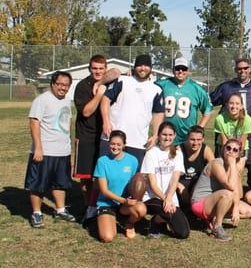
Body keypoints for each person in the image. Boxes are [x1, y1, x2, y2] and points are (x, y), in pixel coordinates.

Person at [210, 58, 251, 188]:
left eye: (245, 68)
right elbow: (208, 101)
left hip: (246, 132)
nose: (242, 71)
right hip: (227, 133)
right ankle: (219, 189)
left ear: (250, 69)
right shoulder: (226, 87)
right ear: (235, 70)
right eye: (239, 68)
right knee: (222, 163)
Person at [25, 71, 76, 228]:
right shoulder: (42, 100)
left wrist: (68, 144)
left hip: (63, 151)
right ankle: (37, 213)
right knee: (38, 184)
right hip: (45, 151)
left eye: (66, 85)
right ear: (53, 84)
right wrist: (38, 148)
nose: (63, 88)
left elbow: (67, 122)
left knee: (60, 183)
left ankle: (60, 210)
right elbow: (34, 123)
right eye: (60, 84)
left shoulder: (67, 101)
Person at [100, 54, 165, 168]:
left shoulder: (156, 89)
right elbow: (105, 99)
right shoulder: (122, 81)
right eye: (139, 65)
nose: (143, 68)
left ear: (151, 68)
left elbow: (159, 113)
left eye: (146, 66)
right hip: (112, 138)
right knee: (106, 173)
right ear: (134, 67)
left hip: (138, 142)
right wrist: (106, 121)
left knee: (134, 180)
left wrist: (155, 135)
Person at [190, 139, 251, 241]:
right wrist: (233, 165)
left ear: (238, 154)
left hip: (217, 200)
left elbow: (238, 193)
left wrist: (236, 208)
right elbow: (230, 188)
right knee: (227, 194)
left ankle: (216, 217)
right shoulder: (216, 164)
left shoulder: (233, 168)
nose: (231, 152)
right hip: (200, 203)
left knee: (248, 211)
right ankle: (217, 227)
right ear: (223, 149)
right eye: (228, 148)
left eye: (235, 150)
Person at [73, 54, 111, 222]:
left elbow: (117, 71)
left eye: (101, 69)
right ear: (90, 69)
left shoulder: (109, 81)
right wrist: (98, 94)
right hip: (86, 136)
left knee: (104, 174)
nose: (98, 71)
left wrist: (101, 83)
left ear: (105, 69)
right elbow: (87, 112)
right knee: (86, 178)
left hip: (106, 136)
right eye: (94, 68)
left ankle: (103, 206)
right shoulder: (82, 86)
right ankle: (89, 208)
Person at [94, 130, 147, 242]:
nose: (115, 147)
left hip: (125, 204)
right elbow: (104, 190)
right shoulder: (102, 161)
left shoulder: (132, 160)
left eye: (119, 144)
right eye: (112, 144)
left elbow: (135, 181)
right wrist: (123, 201)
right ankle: (106, 219)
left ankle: (129, 223)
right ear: (109, 143)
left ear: (124, 145)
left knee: (141, 209)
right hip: (107, 203)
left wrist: (135, 196)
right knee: (107, 237)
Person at [141, 121, 190, 239]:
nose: (167, 138)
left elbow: (175, 179)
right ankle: (156, 222)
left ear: (174, 136)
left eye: (170, 135)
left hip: (170, 199)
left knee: (183, 233)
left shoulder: (178, 154)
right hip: (154, 197)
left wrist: (169, 198)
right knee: (167, 213)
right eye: (164, 135)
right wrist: (164, 199)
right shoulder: (151, 153)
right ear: (158, 135)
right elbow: (152, 183)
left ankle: (159, 221)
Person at [156, 56, 213, 146]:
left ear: (188, 70)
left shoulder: (197, 88)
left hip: (187, 139)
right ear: (173, 69)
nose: (181, 71)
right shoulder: (162, 84)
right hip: (165, 137)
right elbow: (145, 86)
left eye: (184, 68)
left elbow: (208, 110)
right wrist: (133, 74)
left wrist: (198, 129)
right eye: (178, 68)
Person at [177, 125, 215, 209]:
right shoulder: (179, 150)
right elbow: (169, 174)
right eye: (192, 139)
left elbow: (215, 169)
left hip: (198, 183)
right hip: (181, 182)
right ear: (187, 138)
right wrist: (178, 185)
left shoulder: (206, 150)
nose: (195, 143)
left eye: (198, 140)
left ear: (203, 139)